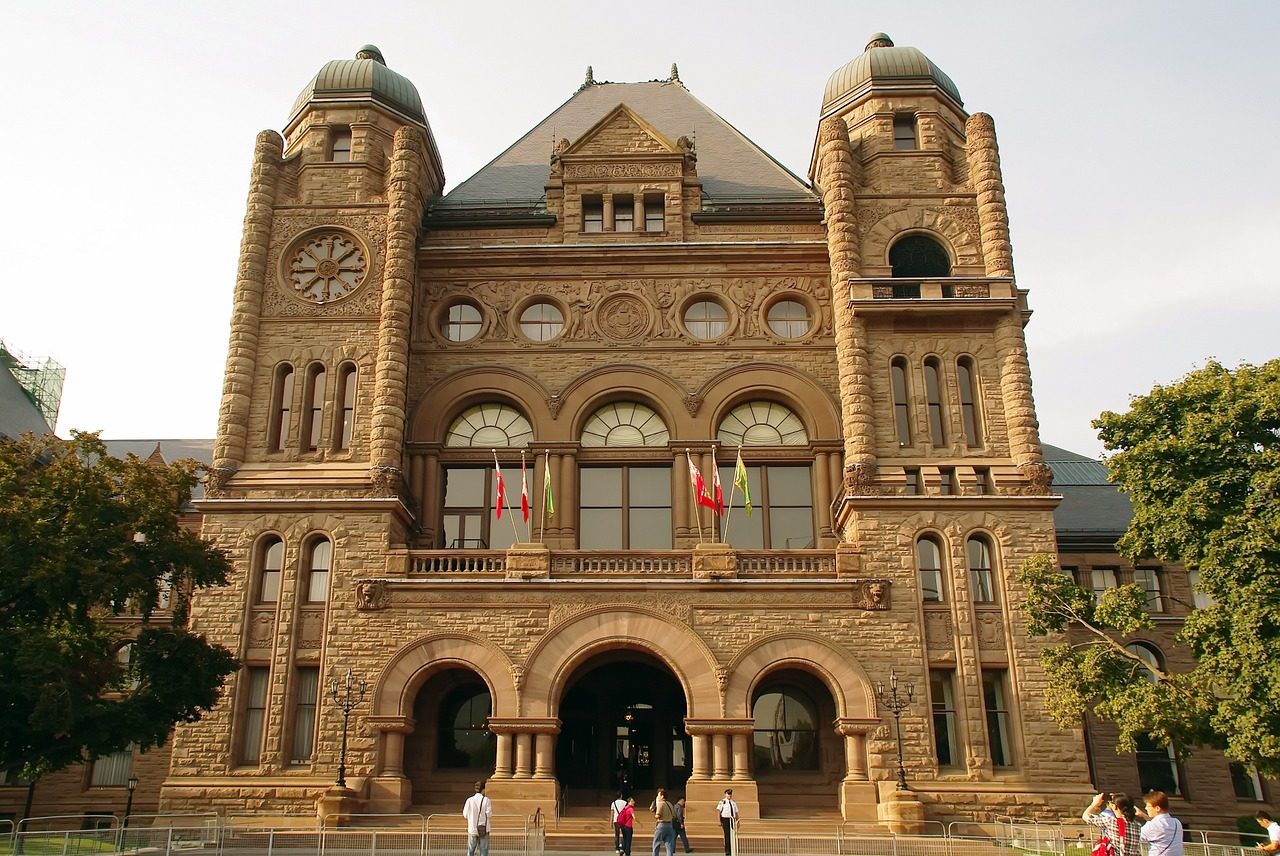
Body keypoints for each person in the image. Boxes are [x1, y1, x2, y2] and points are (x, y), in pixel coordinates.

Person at [1140, 791, 1184, 856]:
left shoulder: (1151, 826)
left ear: (1157, 808)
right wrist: (1144, 816)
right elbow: (1160, 824)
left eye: (1148, 806)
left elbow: (1135, 836)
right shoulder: (1177, 822)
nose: (1146, 808)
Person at [462, 780, 493, 856]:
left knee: (471, 850)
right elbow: (489, 814)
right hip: (484, 829)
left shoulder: (469, 800)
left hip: (472, 828)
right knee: (484, 851)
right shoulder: (486, 800)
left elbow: (465, 814)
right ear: (483, 789)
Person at [652, 789, 676, 856]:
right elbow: (674, 815)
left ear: (662, 796)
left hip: (662, 825)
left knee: (656, 843)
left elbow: (658, 815)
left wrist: (656, 816)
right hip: (670, 825)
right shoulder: (670, 804)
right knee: (669, 845)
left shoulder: (660, 803)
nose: (658, 797)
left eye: (658, 795)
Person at [715, 788, 739, 856]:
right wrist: (719, 821)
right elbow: (718, 811)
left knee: (732, 834)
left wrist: (738, 821)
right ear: (725, 794)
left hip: (732, 819)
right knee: (727, 835)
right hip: (725, 819)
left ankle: (732, 849)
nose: (729, 795)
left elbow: (736, 812)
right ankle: (727, 851)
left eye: (730, 794)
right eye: (728, 794)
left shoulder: (733, 802)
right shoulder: (722, 802)